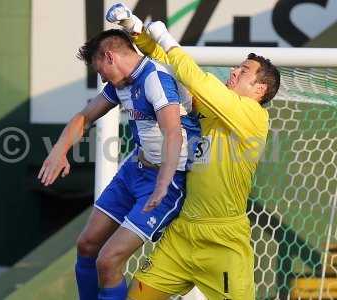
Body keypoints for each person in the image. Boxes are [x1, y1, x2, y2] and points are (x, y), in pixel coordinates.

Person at [106, 4, 280, 300]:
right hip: (183, 233)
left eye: (245, 71)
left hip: (224, 242)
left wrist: (167, 39)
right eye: (238, 66)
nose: (235, 71)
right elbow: (175, 71)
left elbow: (196, 77)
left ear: (259, 90)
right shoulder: (211, 109)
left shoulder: (254, 116)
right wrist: (136, 31)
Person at [38, 29, 200, 300]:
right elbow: (84, 117)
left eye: (100, 69)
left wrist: (162, 183)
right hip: (134, 169)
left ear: (110, 57)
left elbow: (173, 133)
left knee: (108, 261)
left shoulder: (155, 79)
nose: (101, 77)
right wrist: (59, 150)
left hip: (166, 182)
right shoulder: (120, 84)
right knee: (87, 246)